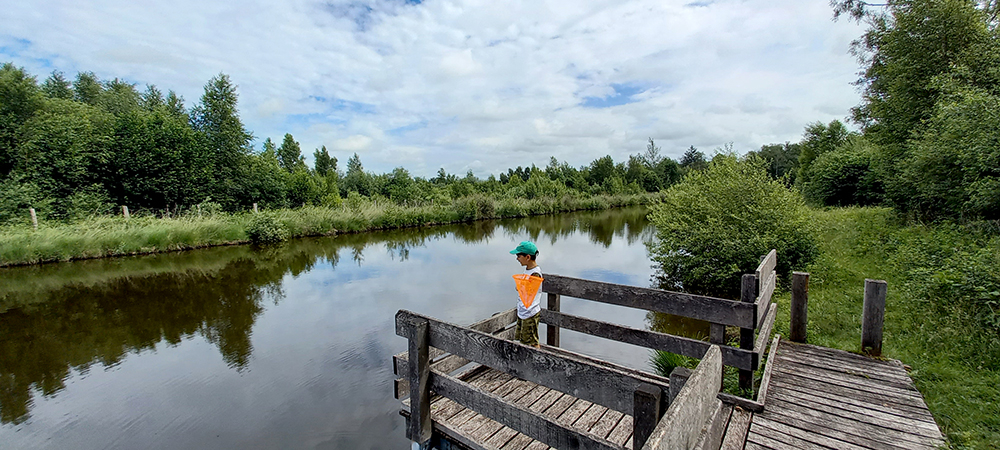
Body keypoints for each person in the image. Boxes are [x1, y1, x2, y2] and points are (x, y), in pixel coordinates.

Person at [510, 241, 542, 348]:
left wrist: (520, 286)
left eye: (518, 256)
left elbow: (531, 292)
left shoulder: (535, 273)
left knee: (532, 342)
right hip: (523, 311)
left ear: (527, 257)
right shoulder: (528, 270)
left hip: (530, 313)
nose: (517, 258)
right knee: (523, 340)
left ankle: (536, 361)